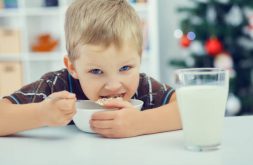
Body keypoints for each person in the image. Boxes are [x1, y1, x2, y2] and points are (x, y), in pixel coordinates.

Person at [0, 0, 181, 138]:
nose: (113, 86)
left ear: (139, 58)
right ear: (73, 67)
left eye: (125, 67)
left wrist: (139, 123)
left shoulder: (143, 87)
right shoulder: (57, 86)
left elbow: (190, 110)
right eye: (96, 71)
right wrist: (41, 114)